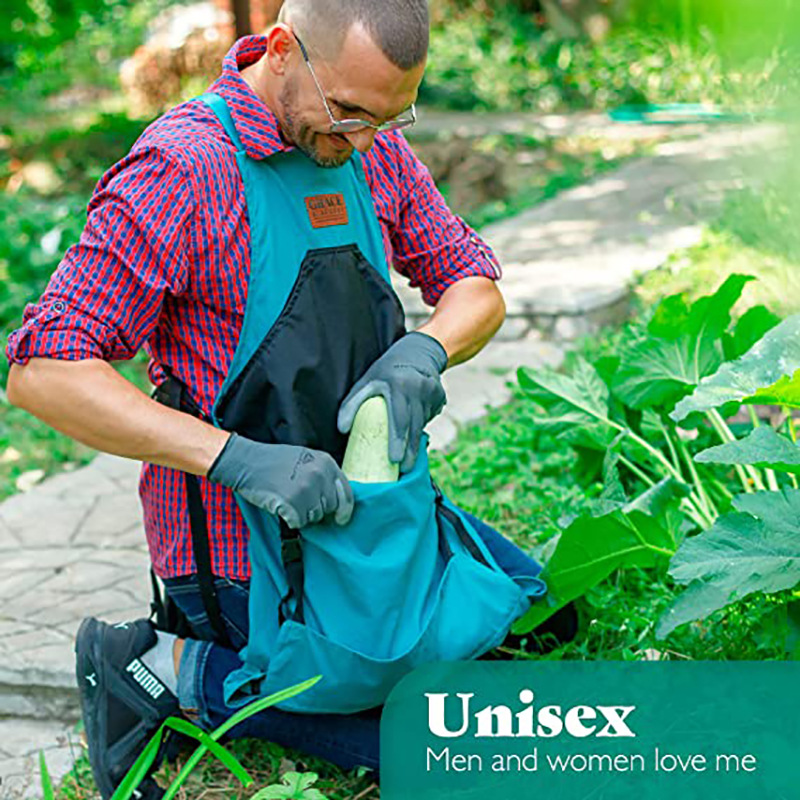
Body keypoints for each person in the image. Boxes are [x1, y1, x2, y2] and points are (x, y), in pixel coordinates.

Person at [5, 1, 574, 797]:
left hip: (373, 513)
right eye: (348, 112)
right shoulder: (182, 169)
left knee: (539, 622)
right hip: (244, 548)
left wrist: (427, 349)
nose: (364, 141)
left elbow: (473, 282)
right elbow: (43, 370)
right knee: (437, 744)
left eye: (389, 117)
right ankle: (164, 665)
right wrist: (237, 460)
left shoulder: (369, 145)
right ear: (280, 50)